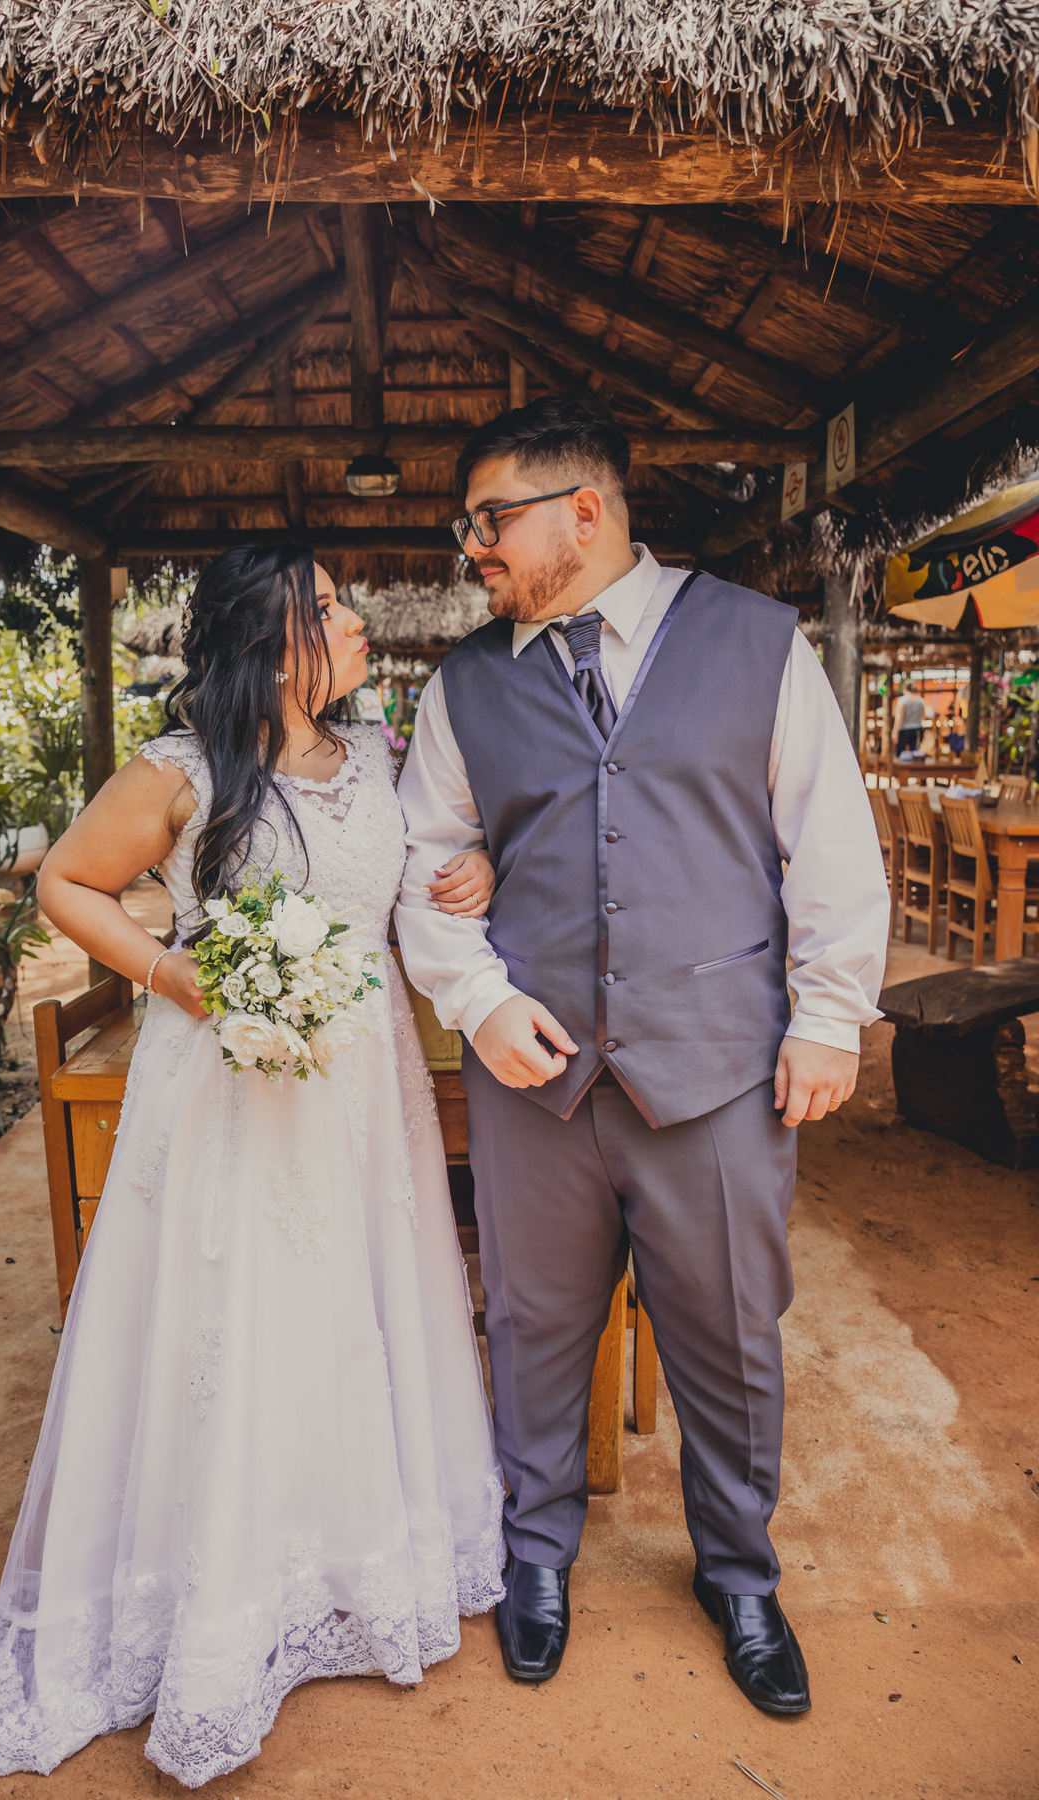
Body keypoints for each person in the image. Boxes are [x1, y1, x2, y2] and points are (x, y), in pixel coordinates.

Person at [0, 546, 505, 1786]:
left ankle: (345, 1555)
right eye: (327, 608)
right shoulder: (184, 771)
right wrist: (179, 976)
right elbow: (65, 880)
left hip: (360, 1090)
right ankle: (216, 1600)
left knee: (350, 1316)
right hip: (228, 1084)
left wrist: (479, 869)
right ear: (271, 644)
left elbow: (431, 863)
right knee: (235, 1323)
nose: (357, 619)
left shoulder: (376, 750)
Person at [394, 396, 889, 1716]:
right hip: (534, 1086)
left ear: (585, 511)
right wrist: (482, 1003)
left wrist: (829, 1015)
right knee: (532, 1329)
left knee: (730, 1339)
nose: (474, 549)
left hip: (719, 1072)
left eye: (490, 521)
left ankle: (738, 1574)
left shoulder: (754, 642)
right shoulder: (463, 687)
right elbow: (416, 861)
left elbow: (830, 842)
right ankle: (536, 1553)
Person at [893, 679, 927, 758]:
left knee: (900, 755)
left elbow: (899, 717)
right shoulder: (921, 701)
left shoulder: (902, 700)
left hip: (904, 730)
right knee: (915, 755)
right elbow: (924, 717)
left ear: (905, 689)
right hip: (917, 730)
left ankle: (901, 770)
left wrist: (895, 732)